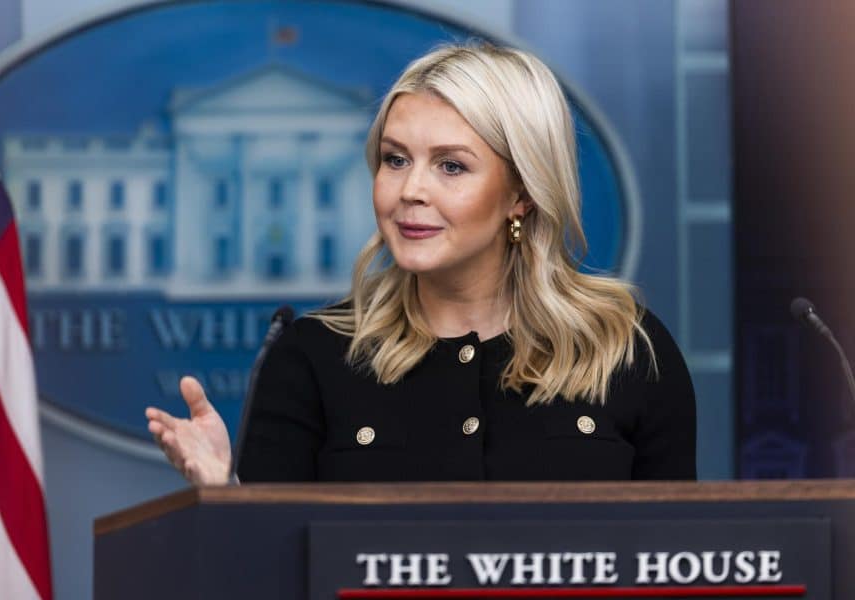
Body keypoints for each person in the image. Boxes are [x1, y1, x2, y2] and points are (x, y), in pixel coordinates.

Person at [145, 42, 696, 485]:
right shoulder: (312, 357)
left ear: (522, 192)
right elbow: (271, 570)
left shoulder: (625, 349)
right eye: (395, 159)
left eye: (451, 167)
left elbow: (680, 563)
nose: (410, 190)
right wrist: (223, 498)